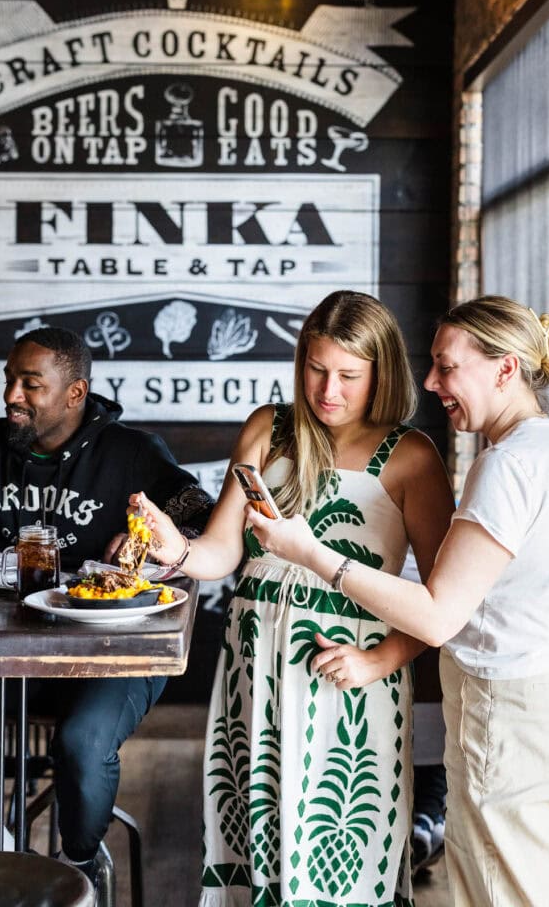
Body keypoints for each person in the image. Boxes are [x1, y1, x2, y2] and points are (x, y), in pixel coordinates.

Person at [248, 295, 549, 907]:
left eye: (447, 366)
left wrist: (311, 554)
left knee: (505, 891)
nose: (433, 382)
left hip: (512, 713)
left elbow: (440, 615)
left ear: (505, 368)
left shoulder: (510, 466)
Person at [129, 289, 455, 905]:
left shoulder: (411, 457)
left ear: (380, 373)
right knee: (253, 848)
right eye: (316, 367)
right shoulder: (267, 429)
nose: (328, 389)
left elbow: (444, 601)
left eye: (348, 376)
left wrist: (379, 660)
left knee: (340, 857)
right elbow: (223, 552)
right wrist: (172, 548)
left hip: (349, 681)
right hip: (255, 672)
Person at [0, 326, 212, 884]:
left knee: (81, 743)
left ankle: (79, 865)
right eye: (10, 381)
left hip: (113, 653)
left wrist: (151, 541)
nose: (11, 395)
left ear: (74, 393)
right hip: (2, 658)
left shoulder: (132, 454)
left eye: (31, 384)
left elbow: (201, 519)